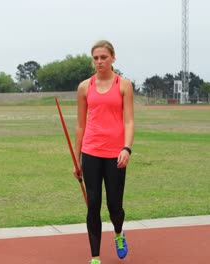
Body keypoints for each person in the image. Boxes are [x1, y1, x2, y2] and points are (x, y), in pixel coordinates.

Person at [73, 40, 134, 264]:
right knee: (93, 204)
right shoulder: (84, 87)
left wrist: (127, 148)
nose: (99, 62)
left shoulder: (124, 85)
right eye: (96, 58)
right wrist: (77, 159)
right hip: (91, 151)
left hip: (115, 153)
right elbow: (80, 125)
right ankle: (95, 257)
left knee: (114, 205)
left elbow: (129, 121)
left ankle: (118, 232)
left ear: (113, 58)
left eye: (103, 57)